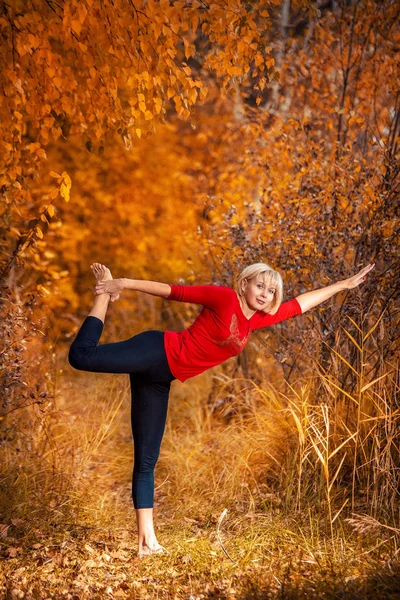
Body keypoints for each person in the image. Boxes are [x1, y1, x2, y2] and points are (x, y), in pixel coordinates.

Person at [68, 261, 375, 557]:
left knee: (147, 460)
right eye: (260, 286)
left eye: (271, 291)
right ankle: (103, 296)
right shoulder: (224, 298)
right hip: (155, 350)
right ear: (244, 285)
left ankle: (147, 543)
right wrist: (121, 283)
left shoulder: (257, 319)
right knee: (81, 357)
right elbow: (172, 291)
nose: (265, 294)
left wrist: (343, 285)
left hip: (161, 379)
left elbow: (300, 304)